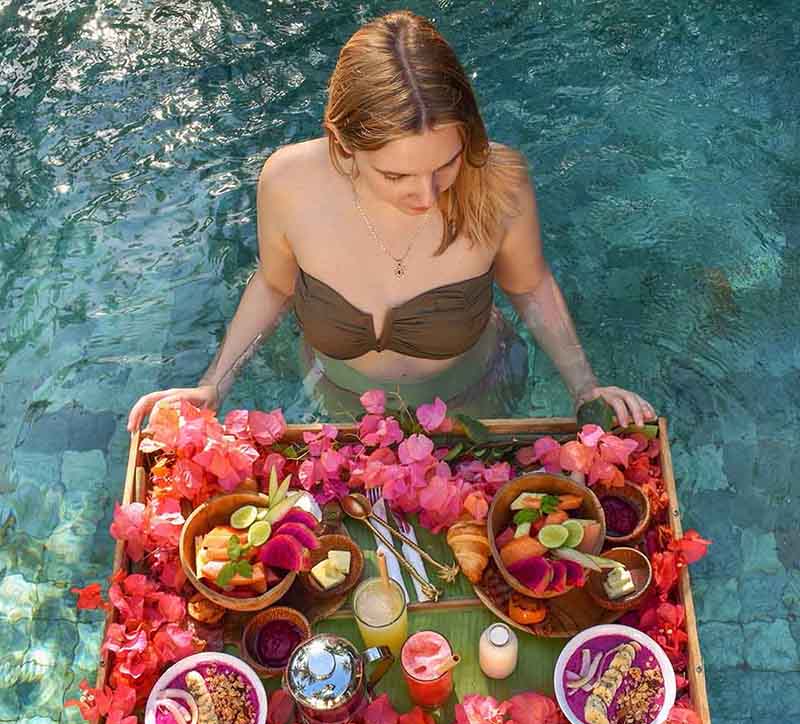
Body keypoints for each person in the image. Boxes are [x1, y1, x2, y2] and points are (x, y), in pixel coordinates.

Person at [128, 10, 655, 433]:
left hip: (477, 396)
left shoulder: (497, 178)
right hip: (338, 398)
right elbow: (273, 284)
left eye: (445, 164)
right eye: (395, 174)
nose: (426, 194)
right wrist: (214, 384)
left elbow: (531, 285)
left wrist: (586, 387)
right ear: (343, 144)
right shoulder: (289, 181)